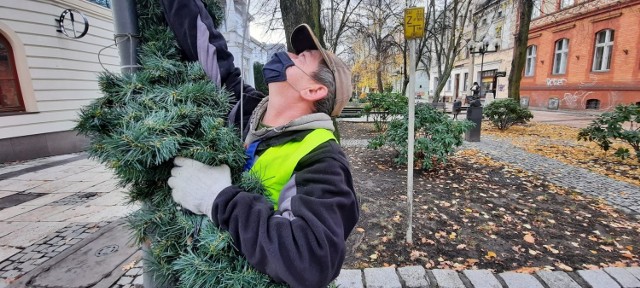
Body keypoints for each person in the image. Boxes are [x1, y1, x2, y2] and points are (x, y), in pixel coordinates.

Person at [161, 1, 359, 287]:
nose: (287, 54)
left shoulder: (322, 159)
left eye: (301, 57)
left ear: (313, 89)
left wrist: (218, 198)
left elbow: (310, 260)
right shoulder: (244, 108)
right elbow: (207, 48)